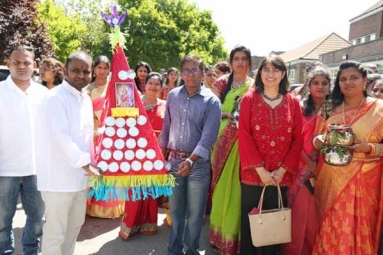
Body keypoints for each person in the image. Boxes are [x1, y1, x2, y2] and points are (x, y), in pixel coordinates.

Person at [312, 61, 383, 255]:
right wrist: (318, 141)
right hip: (330, 179)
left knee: (358, 229)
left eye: (354, 78)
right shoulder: (328, 107)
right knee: (329, 224)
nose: (348, 82)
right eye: (343, 79)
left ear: (365, 80)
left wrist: (368, 147)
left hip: (365, 178)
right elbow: (316, 138)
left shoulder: (380, 108)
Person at [238, 55, 303, 255]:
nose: (271, 74)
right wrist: (260, 170)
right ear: (260, 74)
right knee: (250, 223)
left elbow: (297, 139)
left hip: (279, 178)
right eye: (266, 70)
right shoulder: (249, 99)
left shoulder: (293, 103)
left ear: (283, 74)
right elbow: (244, 136)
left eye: (276, 70)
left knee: (274, 226)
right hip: (252, 175)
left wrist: (282, 170)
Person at [38, 51, 101, 255]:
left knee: (74, 227)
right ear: (65, 71)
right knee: (55, 233)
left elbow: (86, 137)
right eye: (75, 70)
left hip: (80, 178)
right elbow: (61, 139)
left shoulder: (86, 99)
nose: (81, 75)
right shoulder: (55, 98)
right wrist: (86, 164)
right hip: (58, 179)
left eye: (86, 71)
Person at [160, 54, 221, 255]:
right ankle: (174, 251)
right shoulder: (173, 96)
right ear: (181, 74)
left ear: (202, 73)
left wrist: (191, 160)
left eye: (195, 70)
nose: (190, 74)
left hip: (199, 167)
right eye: (186, 70)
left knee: (195, 215)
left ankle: (192, 250)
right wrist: (162, 156)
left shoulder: (212, 101)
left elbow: (209, 137)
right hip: (175, 162)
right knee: (176, 213)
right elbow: (166, 127)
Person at [0, 45, 47, 255]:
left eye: (26, 62)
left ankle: (31, 251)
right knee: (2, 222)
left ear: (34, 66)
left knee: (37, 221)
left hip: (37, 170)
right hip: (4, 170)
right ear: (8, 63)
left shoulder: (44, 94)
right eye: (16, 62)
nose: (21, 66)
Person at [209, 45, 253, 255]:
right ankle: (219, 236)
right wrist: (227, 116)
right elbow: (209, 111)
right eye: (236, 58)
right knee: (221, 189)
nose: (240, 62)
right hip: (222, 141)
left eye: (244, 59)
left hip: (246, 143)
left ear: (249, 62)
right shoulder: (221, 82)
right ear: (231, 61)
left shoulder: (255, 85)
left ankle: (235, 238)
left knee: (240, 192)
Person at [283, 66, 331, 255]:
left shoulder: (335, 109)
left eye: (324, 83)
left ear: (329, 86)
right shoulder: (299, 107)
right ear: (308, 85)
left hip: (327, 169)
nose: (320, 87)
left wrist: (320, 167)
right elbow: (293, 140)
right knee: (300, 214)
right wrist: (311, 166)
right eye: (316, 83)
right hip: (300, 168)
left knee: (318, 217)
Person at [120, 72, 166, 240]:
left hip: (156, 155)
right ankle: (130, 225)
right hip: (137, 153)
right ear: (144, 85)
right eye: (150, 83)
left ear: (161, 88)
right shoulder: (134, 104)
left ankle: (148, 224)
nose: (153, 87)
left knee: (151, 191)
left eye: (157, 84)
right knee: (134, 190)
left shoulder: (165, 106)